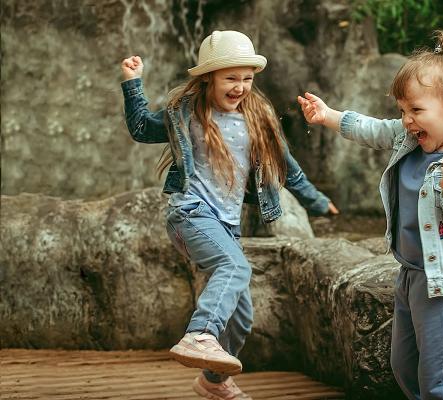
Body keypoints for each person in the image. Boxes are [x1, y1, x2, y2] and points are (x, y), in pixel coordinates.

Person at [121, 30, 338, 400]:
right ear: (208, 77)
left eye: (247, 79)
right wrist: (132, 83)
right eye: (231, 78)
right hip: (189, 212)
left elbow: (288, 167)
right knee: (236, 268)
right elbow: (141, 127)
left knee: (241, 317)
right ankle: (200, 334)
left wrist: (317, 201)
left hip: (226, 225)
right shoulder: (185, 112)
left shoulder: (259, 119)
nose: (240, 87)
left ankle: (212, 381)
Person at [298, 30, 443, 400]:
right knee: (402, 364)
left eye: (416, 110)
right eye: (402, 111)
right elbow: (372, 129)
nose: (407, 120)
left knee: (438, 377)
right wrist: (328, 116)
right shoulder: (409, 137)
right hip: (410, 273)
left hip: (442, 284)